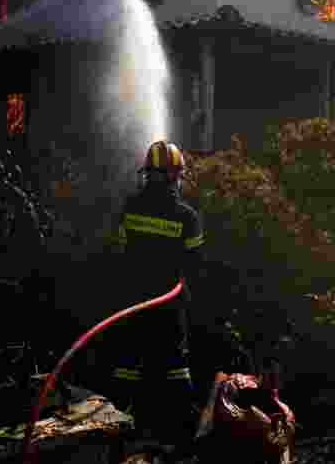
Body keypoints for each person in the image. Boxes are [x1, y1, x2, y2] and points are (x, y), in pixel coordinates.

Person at [106, 140, 205, 447]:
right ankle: (181, 433)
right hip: (168, 306)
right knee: (174, 365)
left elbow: (117, 253)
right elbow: (195, 266)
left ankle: (114, 428)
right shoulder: (187, 217)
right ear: (175, 176)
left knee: (127, 363)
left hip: (131, 303)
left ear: (148, 173)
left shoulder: (129, 208)